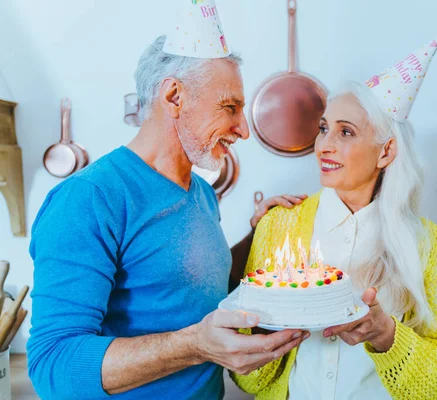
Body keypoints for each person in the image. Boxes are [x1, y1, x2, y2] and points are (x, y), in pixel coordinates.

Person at [27, 2, 309, 398]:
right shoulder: (89, 198)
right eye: (230, 107)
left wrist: (255, 235)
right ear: (174, 96)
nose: (243, 129)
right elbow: (52, 365)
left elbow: (198, 289)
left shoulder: (203, 193)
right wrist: (194, 345)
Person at [231, 38, 437, 399]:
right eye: (324, 128)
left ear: (386, 151)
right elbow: (249, 379)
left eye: (346, 132)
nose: (324, 145)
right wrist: (273, 330)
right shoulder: (279, 226)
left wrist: (386, 334)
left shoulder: (423, 241)